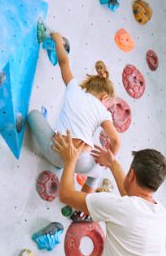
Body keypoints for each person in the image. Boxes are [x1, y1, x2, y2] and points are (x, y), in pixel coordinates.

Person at [27, 31, 121, 190]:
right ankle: (83, 200)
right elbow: (116, 140)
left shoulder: (74, 88)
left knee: (34, 115)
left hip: (56, 151)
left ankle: (57, 164)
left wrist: (57, 40)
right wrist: (107, 159)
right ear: (104, 98)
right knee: (97, 172)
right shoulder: (103, 113)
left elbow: (64, 62)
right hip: (81, 162)